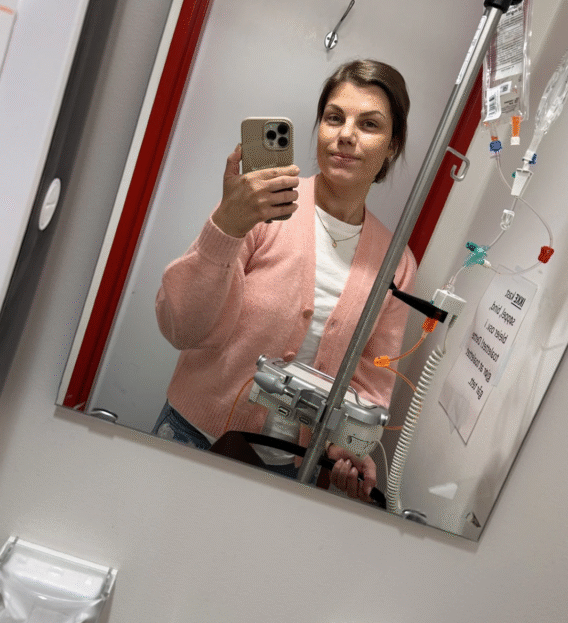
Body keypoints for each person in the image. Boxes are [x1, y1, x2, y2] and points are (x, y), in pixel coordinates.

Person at [154, 59, 416, 503]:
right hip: (193, 436)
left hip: (292, 469)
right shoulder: (260, 208)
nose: (345, 134)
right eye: (334, 118)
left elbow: (371, 383)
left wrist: (346, 447)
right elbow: (182, 328)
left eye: (369, 124)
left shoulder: (397, 264)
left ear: (392, 146)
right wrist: (226, 226)